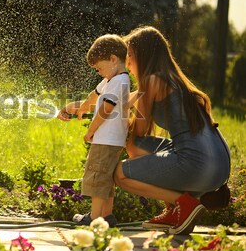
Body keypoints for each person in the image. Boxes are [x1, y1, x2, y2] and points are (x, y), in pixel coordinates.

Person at [113, 26, 231, 234]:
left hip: (198, 165)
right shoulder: (172, 80)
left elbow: (135, 133)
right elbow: (123, 101)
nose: (128, 62)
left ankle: (182, 204)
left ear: (142, 55)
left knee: (120, 173)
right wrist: (88, 106)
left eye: (129, 55)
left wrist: (111, 122)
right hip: (220, 165)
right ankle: (178, 208)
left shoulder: (151, 81)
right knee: (140, 146)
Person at [58, 34, 130, 227]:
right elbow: (94, 97)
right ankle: (106, 215)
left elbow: (105, 109)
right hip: (110, 140)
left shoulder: (119, 81)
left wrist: (91, 130)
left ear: (113, 59)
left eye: (99, 68)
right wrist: (77, 107)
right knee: (105, 177)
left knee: (97, 177)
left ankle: (95, 217)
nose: (99, 72)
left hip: (106, 139)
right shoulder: (111, 80)